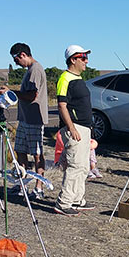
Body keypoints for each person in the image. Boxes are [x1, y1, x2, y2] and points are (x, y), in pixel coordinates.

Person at [0, 42, 49, 199]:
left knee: (37, 154)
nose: (15, 63)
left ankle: (38, 188)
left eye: (15, 59)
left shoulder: (36, 70)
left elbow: (32, 96)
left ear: (23, 55)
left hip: (34, 119)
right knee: (20, 151)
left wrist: (12, 93)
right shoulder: (30, 70)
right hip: (25, 119)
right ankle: (21, 184)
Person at [54, 45, 94, 216]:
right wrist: (71, 127)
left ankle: (78, 200)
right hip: (75, 127)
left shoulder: (78, 79)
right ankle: (64, 202)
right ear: (73, 59)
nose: (86, 61)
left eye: (86, 57)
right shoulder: (65, 78)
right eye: (83, 57)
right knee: (75, 165)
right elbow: (62, 105)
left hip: (85, 127)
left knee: (84, 166)